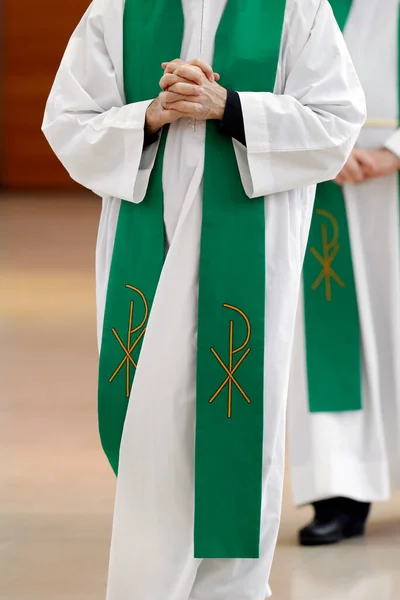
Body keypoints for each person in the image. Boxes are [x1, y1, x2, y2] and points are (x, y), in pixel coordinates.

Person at [42, 0, 365, 597]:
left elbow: (338, 121)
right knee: (153, 433)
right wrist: (150, 114)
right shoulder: (116, 9)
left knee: (238, 436)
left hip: (250, 257)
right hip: (148, 257)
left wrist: (232, 107)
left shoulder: (297, 8)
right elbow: (67, 120)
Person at [288, 0, 400, 547]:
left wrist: (395, 152)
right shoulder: (304, 7)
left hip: (393, 185)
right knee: (335, 348)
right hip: (327, 191)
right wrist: (324, 149)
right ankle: (339, 491)